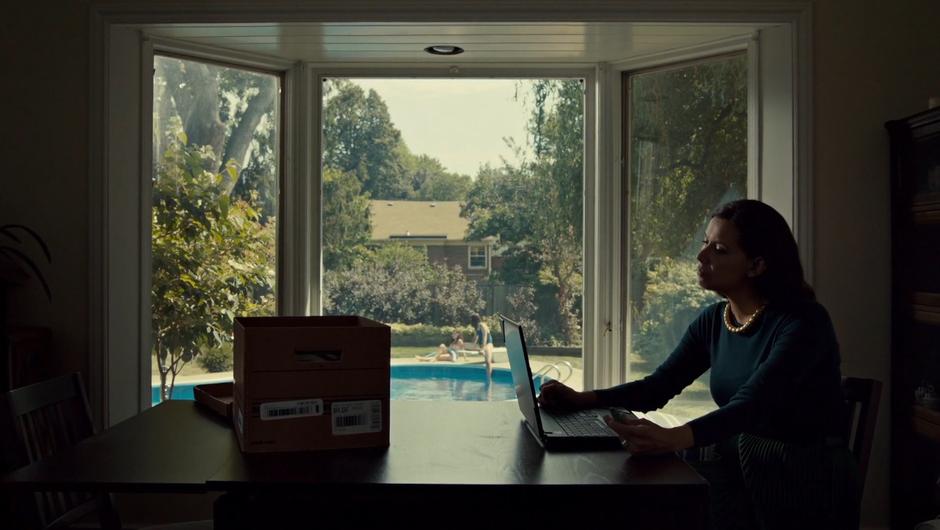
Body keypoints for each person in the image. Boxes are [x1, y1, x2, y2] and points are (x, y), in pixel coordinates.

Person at [538, 199, 859, 530]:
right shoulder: (714, 321)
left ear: (757, 265)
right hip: (740, 461)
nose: (701, 256)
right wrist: (584, 399)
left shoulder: (804, 322)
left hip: (801, 473)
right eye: (705, 243)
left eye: (719, 249)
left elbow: (752, 405)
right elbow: (657, 387)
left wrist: (675, 437)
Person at [466, 313, 495, 378]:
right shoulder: (477, 328)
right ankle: (489, 374)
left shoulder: (482, 325)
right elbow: (476, 338)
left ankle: (489, 379)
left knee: (487, 362)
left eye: (471, 320)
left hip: (488, 344)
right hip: (482, 345)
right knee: (487, 361)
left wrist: (482, 348)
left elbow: (485, 337)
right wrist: (472, 343)